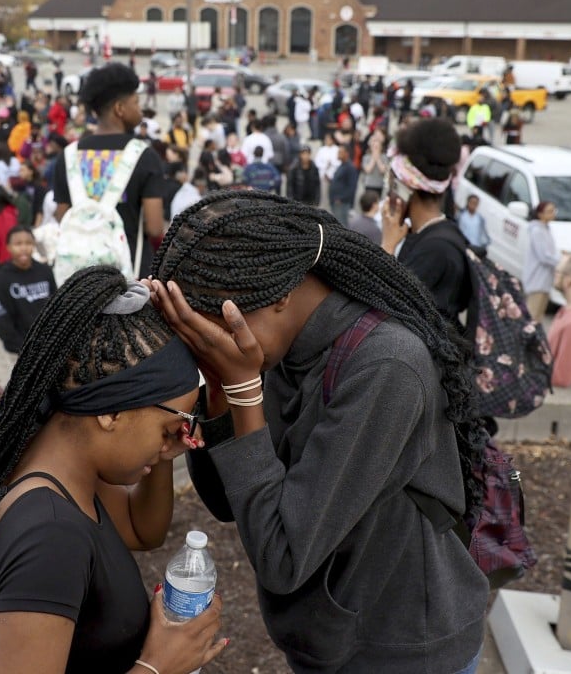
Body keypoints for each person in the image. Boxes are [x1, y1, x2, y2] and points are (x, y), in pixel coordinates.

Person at [150, 189, 489, 673]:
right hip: (334, 641)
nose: (214, 346)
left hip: (402, 652)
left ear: (281, 292)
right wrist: (222, 391)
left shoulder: (385, 366)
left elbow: (283, 557)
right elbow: (229, 502)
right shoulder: (280, 340)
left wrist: (245, 389)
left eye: (213, 330)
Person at [0, 265, 227, 674]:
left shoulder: (65, 470)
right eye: (168, 427)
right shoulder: (50, 537)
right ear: (111, 413)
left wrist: (160, 451)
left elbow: (143, 531)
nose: (172, 439)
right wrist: (158, 667)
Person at [53, 63, 166, 279]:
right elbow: (154, 227)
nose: (140, 110)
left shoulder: (68, 156)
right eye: (136, 102)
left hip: (79, 281)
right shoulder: (145, 156)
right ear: (119, 109)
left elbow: (62, 216)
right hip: (129, 277)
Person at [381, 118, 472, 327]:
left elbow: (384, 314)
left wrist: (387, 245)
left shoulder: (436, 251)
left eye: (392, 182)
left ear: (404, 187)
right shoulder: (434, 234)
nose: (389, 190)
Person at [0, 227, 57, 355]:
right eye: (18, 244)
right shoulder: (1, 278)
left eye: (28, 243)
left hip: (48, 346)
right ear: (8, 247)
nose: (24, 248)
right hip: (18, 350)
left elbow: (56, 306)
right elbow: (1, 318)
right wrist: (22, 348)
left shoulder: (45, 271)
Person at [524, 201, 561, 322]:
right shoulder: (537, 231)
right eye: (549, 211)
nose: (553, 214)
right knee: (532, 316)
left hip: (544, 280)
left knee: (538, 316)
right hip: (537, 280)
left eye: (553, 211)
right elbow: (544, 256)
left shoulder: (546, 229)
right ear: (540, 214)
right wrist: (560, 262)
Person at [549, 254, 571, 388]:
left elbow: (561, 378)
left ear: (569, 280)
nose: (554, 275)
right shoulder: (566, 310)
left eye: (558, 272)